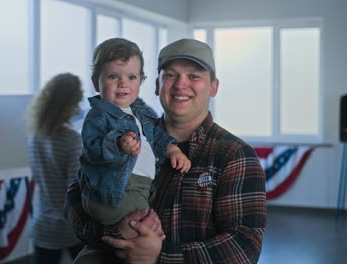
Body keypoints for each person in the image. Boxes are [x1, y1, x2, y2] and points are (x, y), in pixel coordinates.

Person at [65, 38, 266, 264]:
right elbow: (74, 198)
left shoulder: (234, 156)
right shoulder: (128, 133)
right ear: (157, 85)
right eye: (170, 75)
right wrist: (116, 232)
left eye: (194, 76)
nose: (181, 84)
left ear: (214, 87)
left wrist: (159, 255)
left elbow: (245, 247)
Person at [78, 37, 190, 228]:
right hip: (117, 192)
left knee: (144, 234)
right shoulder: (98, 115)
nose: (123, 84)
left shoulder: (141, 111)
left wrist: (172, 149)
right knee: (147, 231)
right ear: (96, 82)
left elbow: (156, 134)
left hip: (141, 188)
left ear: (141, 80)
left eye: (131, 77)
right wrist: (118, 144)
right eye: (113, 76)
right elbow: (93, 148)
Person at [26, 72, 85, 263]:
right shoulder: (72, 140)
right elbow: (74, 189)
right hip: (69, 226)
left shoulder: (35, 137)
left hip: (43, 224)